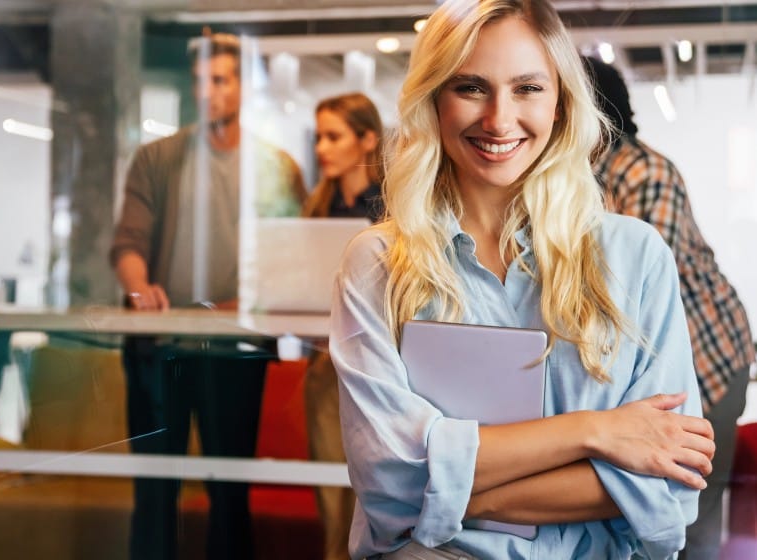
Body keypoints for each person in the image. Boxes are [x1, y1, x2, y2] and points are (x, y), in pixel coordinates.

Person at [328, 1, 716, 559]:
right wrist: (595, 432)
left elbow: (669, 485)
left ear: (560, 102)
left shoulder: (635, 256)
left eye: (528, 88)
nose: (499, 119)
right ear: (433, 100)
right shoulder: (378, 263)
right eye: (470, 87)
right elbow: (388, 476)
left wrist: (445, 492)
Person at [109, 32, 306, 560]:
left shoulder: (277, 167)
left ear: (243, 88)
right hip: (159, 351)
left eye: (219, 81)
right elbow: (128, 245)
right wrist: (139, 288)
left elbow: (290, 264)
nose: (206, 92)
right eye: (199, 81)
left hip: (234, 352)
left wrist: (244, 305)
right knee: (154, 495)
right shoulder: (157, 157)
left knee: (229, 495)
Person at [584, 54, 755, 560]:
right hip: (651, 369)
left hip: (708, 361)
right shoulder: (581, 175)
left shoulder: (644, 171)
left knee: (689, 508)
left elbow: (632, 289)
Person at [302, 92, 385, 560]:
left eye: (333, 137)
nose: (322, 148)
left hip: (379, 371)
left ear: (367, 139)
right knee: (329, 500)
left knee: (373, 493)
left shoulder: (392, 210)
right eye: (319, 138)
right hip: (323, 368)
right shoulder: (316, 207)